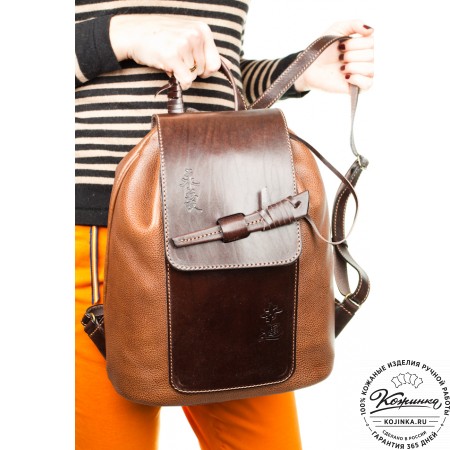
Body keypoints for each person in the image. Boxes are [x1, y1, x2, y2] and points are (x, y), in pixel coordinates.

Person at [75, 1, 374, 449]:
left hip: (245, 231)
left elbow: (219, 71)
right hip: (108, 234)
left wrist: (297, 72)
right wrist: (118, 36)